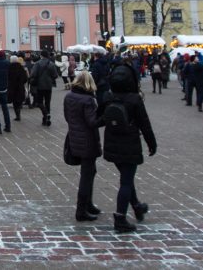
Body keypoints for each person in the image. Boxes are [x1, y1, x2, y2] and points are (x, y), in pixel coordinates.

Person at [101, 61, 156, 232]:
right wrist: (151, 143)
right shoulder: (134, 99)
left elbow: (100, 119)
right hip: (129, 143)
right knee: (126, 181)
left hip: (111, 142)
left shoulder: (108, 97)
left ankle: (137, 206)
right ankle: (120, 218)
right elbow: (144, 123)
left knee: (127, 178)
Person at [64, 71, 103, 221]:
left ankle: (89, 204)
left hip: (74, 137)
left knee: (90, 171)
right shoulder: (88, 100)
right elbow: (92, 122)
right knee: (87, 175)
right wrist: (104, 117)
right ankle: (81, 210)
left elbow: (67, 117)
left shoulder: (69, 97)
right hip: (87, 140)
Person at [30, 53, 60, 126]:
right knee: (47, 102)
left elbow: (33, 74)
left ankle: (45, 114)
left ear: (41, 56)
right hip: (48, 86)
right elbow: (56, 75)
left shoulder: (37, 64)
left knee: (39, 102)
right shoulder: (51, 64)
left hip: (39, 86)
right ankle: (47, 118)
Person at [7, 54, 29, 121]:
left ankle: (17, 115)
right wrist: (22, 82)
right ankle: (18, 112)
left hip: (12, 87)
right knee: (19, 100)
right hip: (20, 87)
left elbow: (7, 77)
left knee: (14, 101)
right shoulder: (21, 67)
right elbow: (25, 78)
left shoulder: (9, 68)